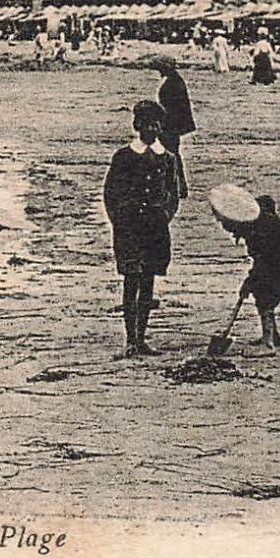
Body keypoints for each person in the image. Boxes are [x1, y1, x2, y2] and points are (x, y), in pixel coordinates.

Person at [103, 101, 180, 358]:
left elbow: (174, 193)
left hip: (155, 228)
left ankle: (142, 337)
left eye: (156, 123)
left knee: (147, 281)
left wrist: (164, 216)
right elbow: (110, 193)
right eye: (147, 123)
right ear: (137, 126)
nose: (152, 128)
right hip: (129, 227)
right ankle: (131, 340)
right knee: (131, 279)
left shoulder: (167, 158)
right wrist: (119, 221)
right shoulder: (124, 156)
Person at [211, 185, 280, 353]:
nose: (223, 225)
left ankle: (268, 343)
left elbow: (263, 262)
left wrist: (250, 281)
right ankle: (275, 336)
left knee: (266, 299)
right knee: (262, 295)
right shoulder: (254, 224)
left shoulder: (257, 228)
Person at [147, 55, 195, 199]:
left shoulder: (171, 84)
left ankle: (176, 187)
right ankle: (178, 187)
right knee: (172, 155)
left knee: (170, 155)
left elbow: (172, 109)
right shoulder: (175, 81)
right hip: (174, 126)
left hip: (170, 126)